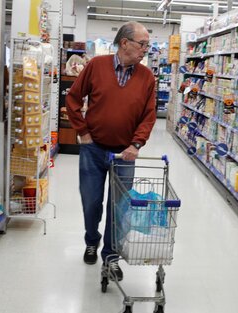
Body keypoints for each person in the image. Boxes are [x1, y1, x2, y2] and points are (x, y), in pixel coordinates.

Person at [65, 21, 156, 281]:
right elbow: (73, 98)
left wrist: (136, 144)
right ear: (124, 43)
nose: (145, 50)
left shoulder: (147, 77)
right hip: (93, 151)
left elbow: (149, 116)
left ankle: (111, 255)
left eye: (147, 45)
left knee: (120, 208)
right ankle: (91, 239)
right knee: (91, 201)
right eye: (142, 44)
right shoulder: (96, 66)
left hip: (125, 154)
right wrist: (82, 132)